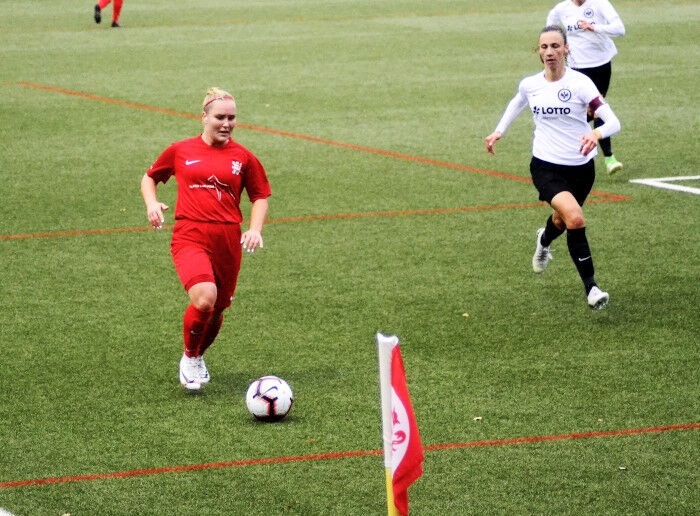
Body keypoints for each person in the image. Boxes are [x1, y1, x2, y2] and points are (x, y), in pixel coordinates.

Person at [141, 87, 272, 390]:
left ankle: (198, 355)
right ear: (204, 117)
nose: (227, 124)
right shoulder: (181, 150)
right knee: (204, 300)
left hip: (227, 240)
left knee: (218, 308)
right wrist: (151, 203)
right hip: (190, 235)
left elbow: (260, 196)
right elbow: (150, 177)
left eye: (232, 118)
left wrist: (255, 229)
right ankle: (189, 358)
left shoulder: (243, 157)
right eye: (220, 117)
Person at [485, 25, 620, 310]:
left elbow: (613, 122)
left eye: (555, 46)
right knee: (575, 218)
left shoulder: (581, 84)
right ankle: (592, 288)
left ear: (566, 49)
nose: (549, 52)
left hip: (581, 168)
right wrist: (499, 131)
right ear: (538, 51)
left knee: (561, 220)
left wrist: (595, 133)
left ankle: (544, 240)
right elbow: (517, 103)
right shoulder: (530, 84)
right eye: (544, 47)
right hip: (546, 166)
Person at [546, 0, 626, 175]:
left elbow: (620, 29)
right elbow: (550, 28)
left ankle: (608, 158)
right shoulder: (561, 9)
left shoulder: (600, 4)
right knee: (580, 111)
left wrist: (594, 27)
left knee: (597, 109)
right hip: (576, 67)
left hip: (601, 65)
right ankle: (568, 151)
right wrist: (557, 45)